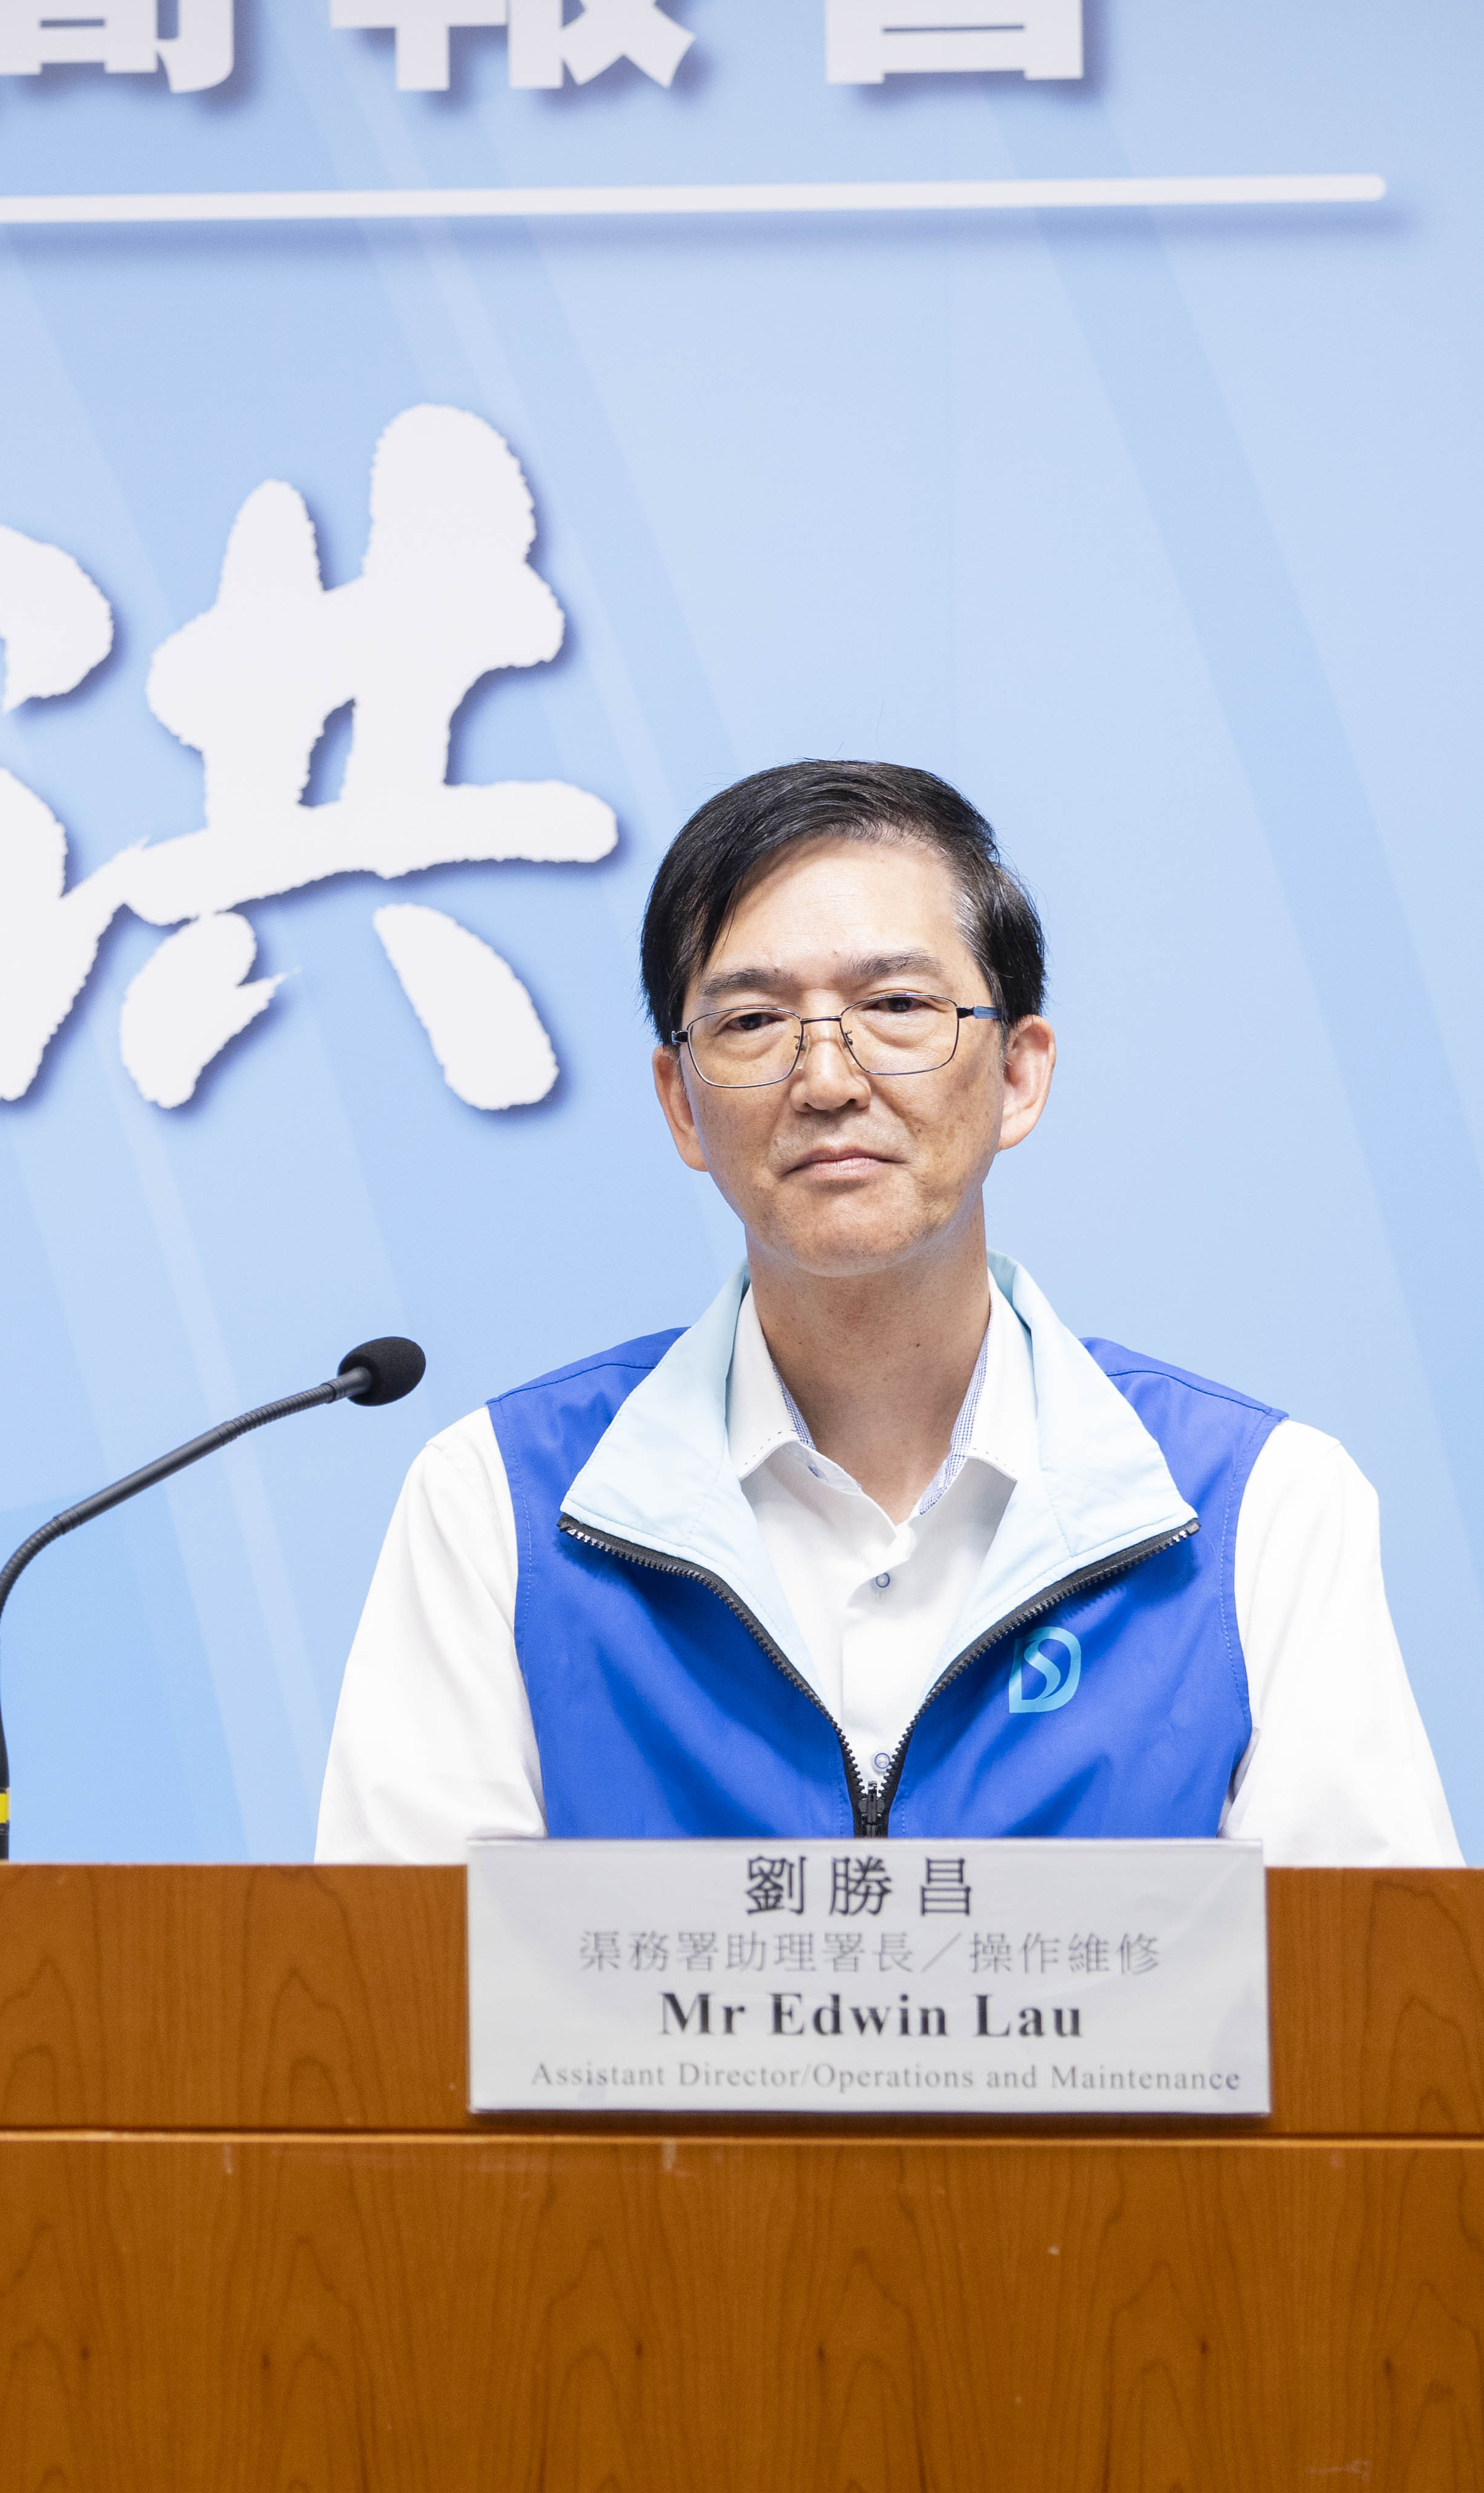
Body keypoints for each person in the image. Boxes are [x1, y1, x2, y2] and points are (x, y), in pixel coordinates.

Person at [319, 762, 1452, 1861]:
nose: (825, 1078)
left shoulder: (1258, 1514)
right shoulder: (502, 1510)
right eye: (753, 1021)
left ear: (1017, 1072)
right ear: (681, 1104)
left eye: (896, 1005)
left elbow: (1358, 2016)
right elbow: (408, 2020)